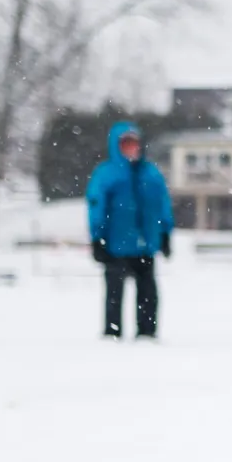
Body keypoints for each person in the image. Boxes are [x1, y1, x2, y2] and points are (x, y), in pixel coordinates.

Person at [85, 121, 174, 340]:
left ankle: (147, 332)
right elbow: (97, 207)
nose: (131, 148)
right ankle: (112, 332)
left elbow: (162, 204)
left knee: (148, 292)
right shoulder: (106, 174)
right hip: (116, 246)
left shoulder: (151, 174)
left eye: (134, 143)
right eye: (126, 143)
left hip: (145, 244)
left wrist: (165, 233)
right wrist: (98, 238)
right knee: (114, 292)